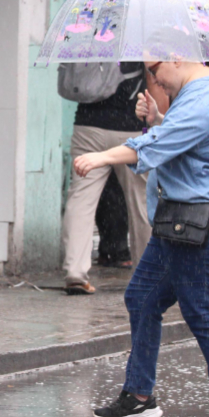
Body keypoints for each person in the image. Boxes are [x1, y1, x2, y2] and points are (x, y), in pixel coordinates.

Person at [75, 59, 209, 417]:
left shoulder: (206, 95)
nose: (153, 79)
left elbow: (158, 147)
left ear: (177, 57)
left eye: (156, 70)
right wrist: (159, 118)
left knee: (204, 313)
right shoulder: (195, 92)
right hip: (180, 224)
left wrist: (103, 156)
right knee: (142, 297)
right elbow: (187, 145)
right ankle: (140, 396)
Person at [61, 62, 159, 294]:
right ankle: (146, 273)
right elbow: (154, 86)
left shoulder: (91, 32)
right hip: (131, 129)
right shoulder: (141, 36)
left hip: (88, 126)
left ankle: (75, 271)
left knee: (81, 199)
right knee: (141, 202)